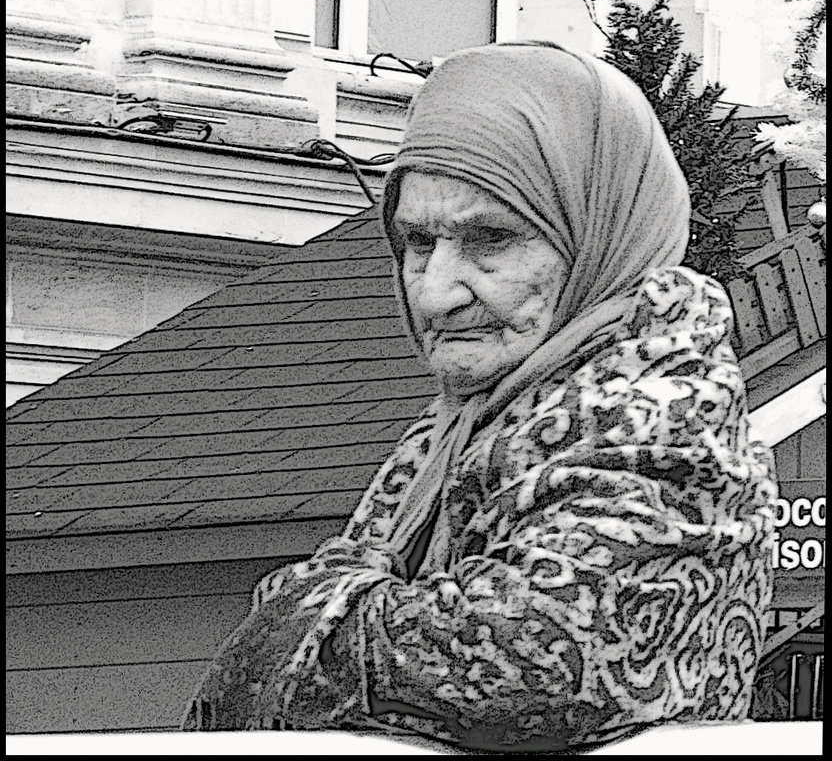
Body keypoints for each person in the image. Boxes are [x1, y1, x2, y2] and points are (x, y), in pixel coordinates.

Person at [182, 41, 777, 753]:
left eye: (490, 238)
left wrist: (301, 609)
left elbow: (530, 662)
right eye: (415, 241)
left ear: (599, 232)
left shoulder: (667, 414)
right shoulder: (458, 430)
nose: (435, 290)